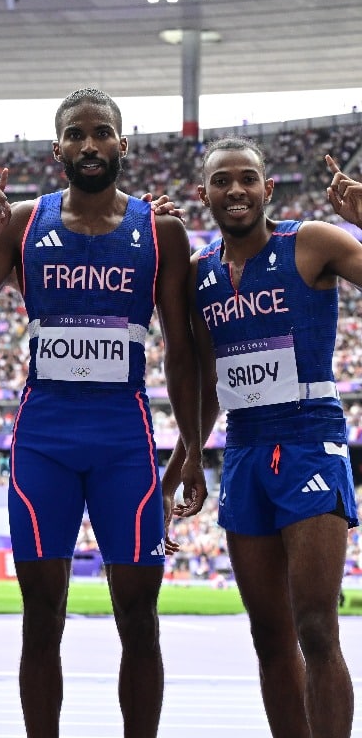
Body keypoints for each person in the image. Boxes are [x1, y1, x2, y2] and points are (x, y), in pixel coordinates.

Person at [0, 87, 206, 738]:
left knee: (139, 617)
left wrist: (192, 451)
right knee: (41, 618)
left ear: (122, 143)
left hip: (124, 441)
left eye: (101, 132)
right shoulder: (24, 222)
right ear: (57, 149)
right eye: (76, 135)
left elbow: (182, 352)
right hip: (45, 441)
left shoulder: (161, 230)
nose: (90, 145)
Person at [166, 137, 359, 738]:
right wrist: (186, 462)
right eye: (222, 181)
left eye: (247, 178)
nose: (236, 190)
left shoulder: (312, 242)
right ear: (203, 195)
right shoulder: (199, 275)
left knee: (316, 628)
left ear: (267, 188)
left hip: (310, 442)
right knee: (269, 637)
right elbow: (207, 381)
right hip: (244, 450)